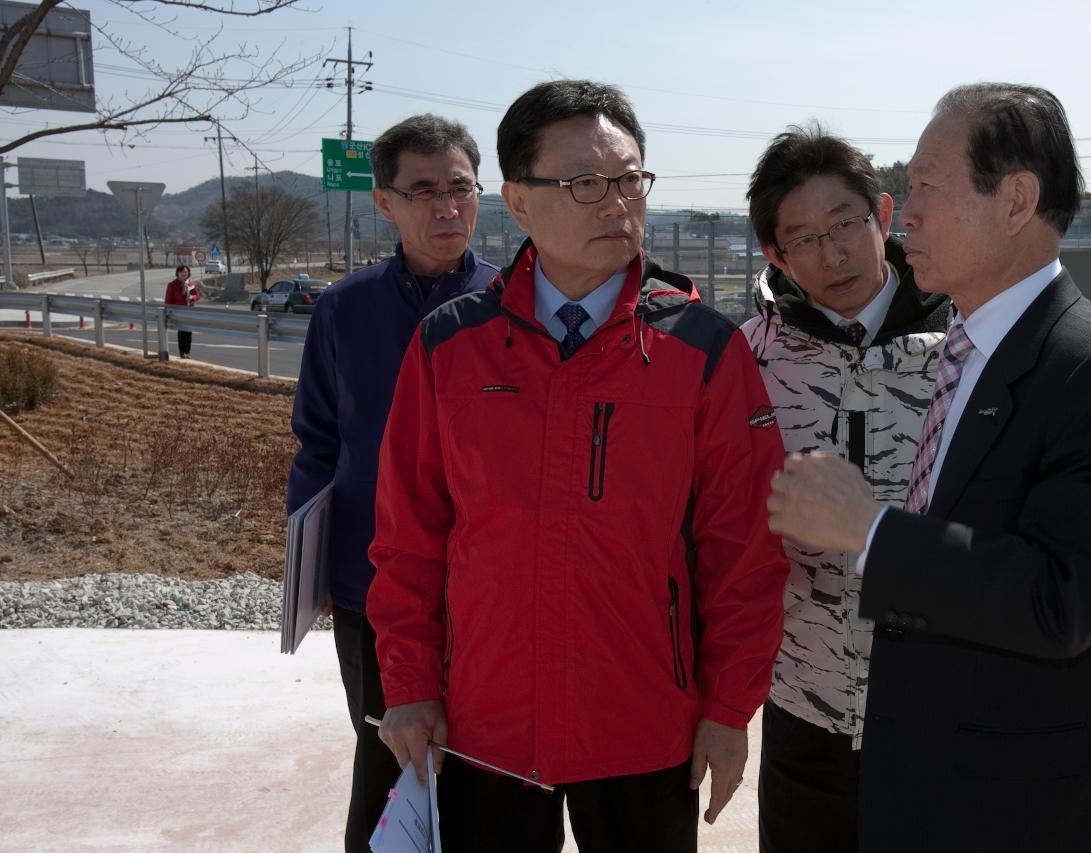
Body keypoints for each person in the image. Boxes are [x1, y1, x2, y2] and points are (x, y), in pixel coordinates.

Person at [366, 80, 788, 853]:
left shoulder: (702, 349)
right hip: (485, 722)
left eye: (631, 180)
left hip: (643, 722)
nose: (617, 204)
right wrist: (410, 683)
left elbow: (745, 551)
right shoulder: (448, 346)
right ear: (519, 204)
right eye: (586, 184)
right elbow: (409, 539)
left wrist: (730, 709)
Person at [766, 83, 1091, 853]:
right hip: (922, 783)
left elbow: (1063, 598)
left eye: (926, 185)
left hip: (1023, 808)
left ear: (1017, 199)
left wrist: (870, 529)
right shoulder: (974, 350)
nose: (906, 212)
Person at [286, 113, 498, 853]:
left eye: (461, 188)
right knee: (388, 753)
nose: (447, 207)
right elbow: (317, 443)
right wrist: (309, 565)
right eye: (423, 191)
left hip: (486, 585)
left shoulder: (514, 308)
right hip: (369, 584)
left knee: (485, 766)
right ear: (384, 202)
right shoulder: (344, 308)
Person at [741, 125, 948, 853]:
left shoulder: (969, 345)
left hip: (944, 707)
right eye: (803, 239)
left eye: (845, 226)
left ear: (883, 216)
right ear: (775, 253)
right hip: (805, 706)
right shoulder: (746, 364)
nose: (832, 256)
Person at [163, 265, 201, 358]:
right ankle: (182, 352)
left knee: (189, 333)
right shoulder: (172, 285)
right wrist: (168, 312)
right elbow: (168, 300)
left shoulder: (190, 284)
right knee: (182, 332)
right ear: (178, 273)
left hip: (189, 311)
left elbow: (197, 296)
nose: (184, 274)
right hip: (178, 312)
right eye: (182, 272)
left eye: (186, 272)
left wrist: (192, 297)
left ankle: (187, 352)